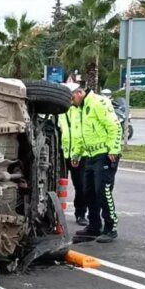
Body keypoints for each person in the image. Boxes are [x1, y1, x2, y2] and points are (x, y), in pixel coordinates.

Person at [70, 86, 122, 243]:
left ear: (79, 93)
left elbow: (114, 126)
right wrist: (76, 153)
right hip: (90, 155)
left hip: (105, 155)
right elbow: (79, 134)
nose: (71, 103)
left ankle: (110, 227)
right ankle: (94, 226)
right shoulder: (80, 108)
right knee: (88, 191)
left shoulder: (98, 102)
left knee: (103, 191)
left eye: (72, 99)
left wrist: (114, 148)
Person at [59, 83, 88, 226]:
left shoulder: (82, 110)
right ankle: (54, 214)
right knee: (55, 185)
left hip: (78, 154)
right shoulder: (57, 110)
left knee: (81, 186)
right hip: (61, 154)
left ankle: (81, 213)